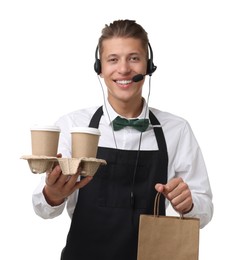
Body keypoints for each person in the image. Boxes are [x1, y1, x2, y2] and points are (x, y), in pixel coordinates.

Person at [32, 19, 213, 260]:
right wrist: (52, 194)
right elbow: (44, 210)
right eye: (113, 59)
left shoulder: (176, 130)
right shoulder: (73, 126)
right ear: (100, 68)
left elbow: (205, 211)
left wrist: (189, 205)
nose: (124, 69)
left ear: (148, 66)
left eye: (134, 58)